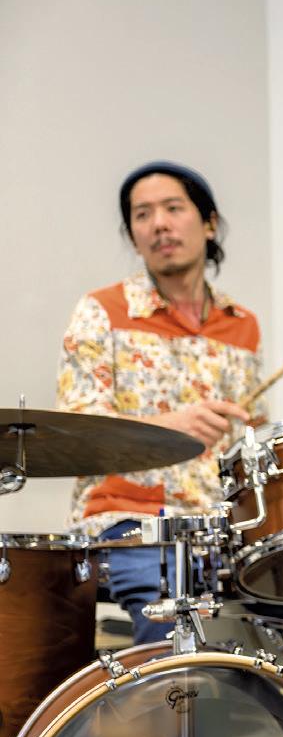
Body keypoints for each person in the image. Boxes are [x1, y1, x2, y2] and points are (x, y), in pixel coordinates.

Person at [58, 161, 261, 643]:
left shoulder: (242, 324)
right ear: (133, 235)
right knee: (166, 608)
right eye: (142, 214)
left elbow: (248, 441)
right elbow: (73, 431)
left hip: (217, 526)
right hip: (129, 521)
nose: (159, 225)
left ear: (208, 222)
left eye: (173, 208)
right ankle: (170, 690)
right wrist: (171, 425)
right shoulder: (102, 310)